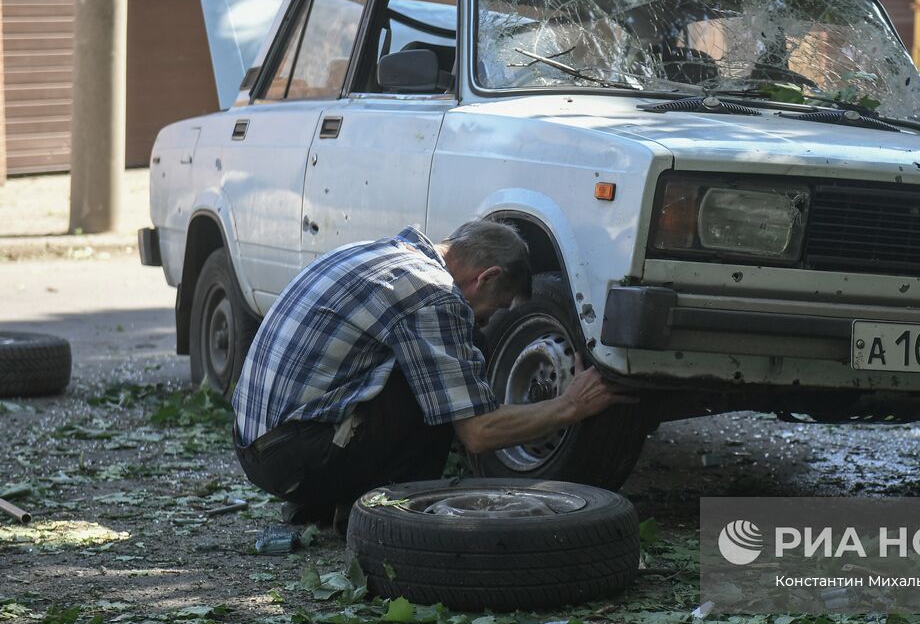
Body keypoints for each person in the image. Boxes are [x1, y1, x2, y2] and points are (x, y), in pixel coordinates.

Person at [231, 220, 632, 523]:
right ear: (487, 277)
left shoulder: (377, 252)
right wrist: (571, 405)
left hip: (258, 445)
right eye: (499, 305)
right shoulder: (432, 291)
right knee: (444, 389)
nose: (492, 319)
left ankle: (327, 501)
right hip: (291, 460)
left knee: (442, 366)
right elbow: (479, 433)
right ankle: (387, 520)